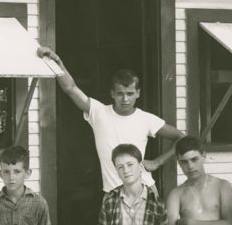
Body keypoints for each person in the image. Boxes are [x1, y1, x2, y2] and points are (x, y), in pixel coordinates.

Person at [35, 46, 185, 193]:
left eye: (130, 93)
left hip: (144, 190)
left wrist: (157, 162)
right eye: (120, 93)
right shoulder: (99, 112)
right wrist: (57, 62)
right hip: (113, 193)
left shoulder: (146, 119)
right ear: (112, 93)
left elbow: (181, 137)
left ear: (138, 93)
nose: (125, 99)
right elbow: (71, 88)